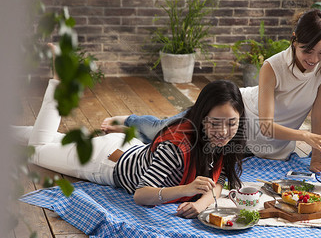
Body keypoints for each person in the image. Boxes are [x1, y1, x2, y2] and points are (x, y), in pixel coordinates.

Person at [102, 9, 321, 172]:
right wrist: (305, 136)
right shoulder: (272, 67)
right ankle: (131, 121)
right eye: (308, 51)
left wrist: (315, 159)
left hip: (264, 143)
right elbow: (266, 125)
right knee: (167, 130)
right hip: (237, 115)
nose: (314, 59)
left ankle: (134, 131)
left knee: (191, 150)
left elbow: (318, 114)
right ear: (294, 40)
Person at [14, 72, 247, 218]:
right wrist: (187, 190)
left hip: (130, 148)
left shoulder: (223, 140)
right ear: (202, 117)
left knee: (53, 140)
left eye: (231, 123)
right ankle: (59, 83)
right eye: (216, 123)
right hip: (104, 162)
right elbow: (141, 195)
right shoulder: (176, 148)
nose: (224, 132)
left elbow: (219, 179)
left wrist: (201, 205)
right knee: (38, 150)